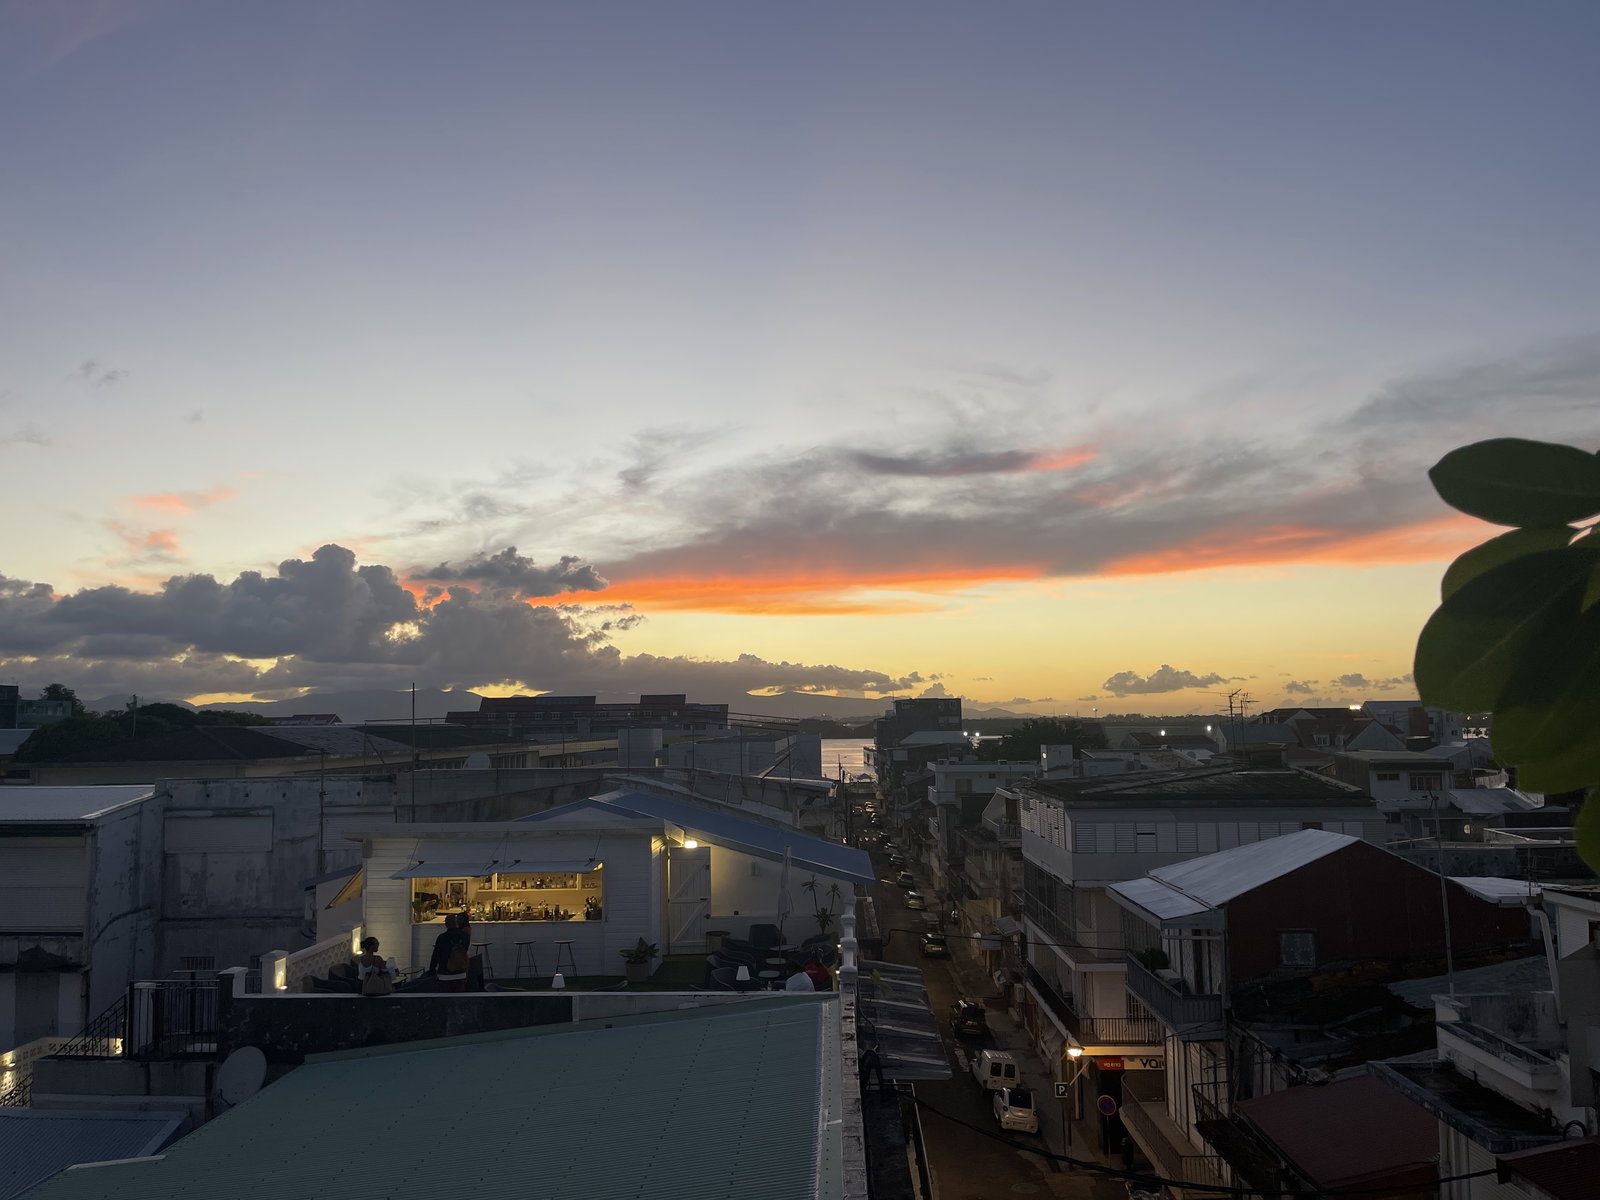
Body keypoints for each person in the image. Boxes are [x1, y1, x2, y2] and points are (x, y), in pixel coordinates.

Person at [429, 913, 470, 992]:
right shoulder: (465, 937)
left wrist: (432, 970)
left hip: (444, 973)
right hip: (460, 972)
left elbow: (435, 955)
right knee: (459, 999)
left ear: (447, 924)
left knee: (444, 999)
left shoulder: (442, 937)